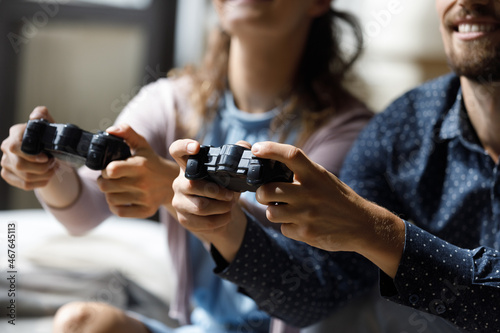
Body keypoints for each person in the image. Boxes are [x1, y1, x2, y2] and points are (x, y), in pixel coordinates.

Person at [0, 1, 374, 332]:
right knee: (79, 322)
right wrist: (48, 171)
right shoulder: (171, 102)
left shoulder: (348, 130)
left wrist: (172, 190)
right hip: (201, 325)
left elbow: (305, 271)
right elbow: (84, 210)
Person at [169, 0, 500, 332]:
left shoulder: (363, 128)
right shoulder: (399, 131)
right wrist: (223, 227)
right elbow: (319, 295)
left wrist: (377, 233)